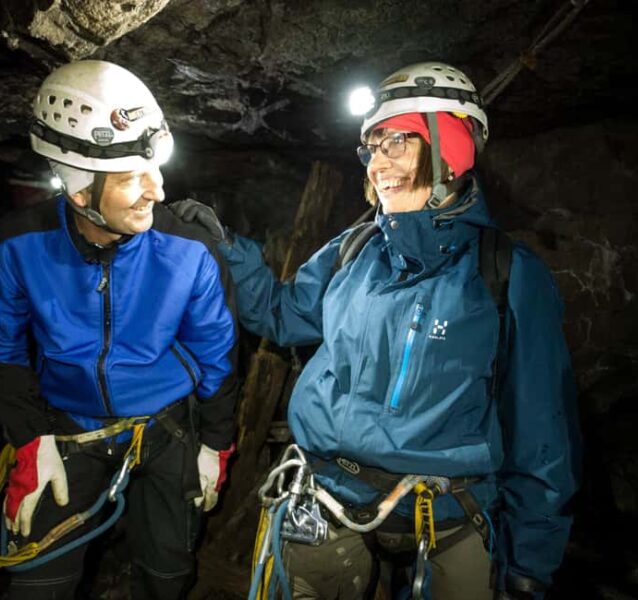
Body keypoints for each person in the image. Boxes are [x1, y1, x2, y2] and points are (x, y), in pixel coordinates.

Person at [170, 61, 581, 599]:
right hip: (330, 496)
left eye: (397, 143)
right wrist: (228, 246)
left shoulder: (505, 275)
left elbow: (542, 435)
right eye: (372, 146)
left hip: (447, 512)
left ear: (449, 150)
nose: (377, 162)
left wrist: (529, 564)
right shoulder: (356, 248)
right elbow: (283, 314)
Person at [0, 60, 238, 600]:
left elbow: (217, 356)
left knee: (168, 574)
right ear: (79, 191)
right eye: (132, 177)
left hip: (166, 428)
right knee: (38, 581)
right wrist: (28, 437)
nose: (156, 191)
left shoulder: (190, 249)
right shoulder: (14, 246)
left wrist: (216, 445)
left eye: (155, 168)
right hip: (66, 427)